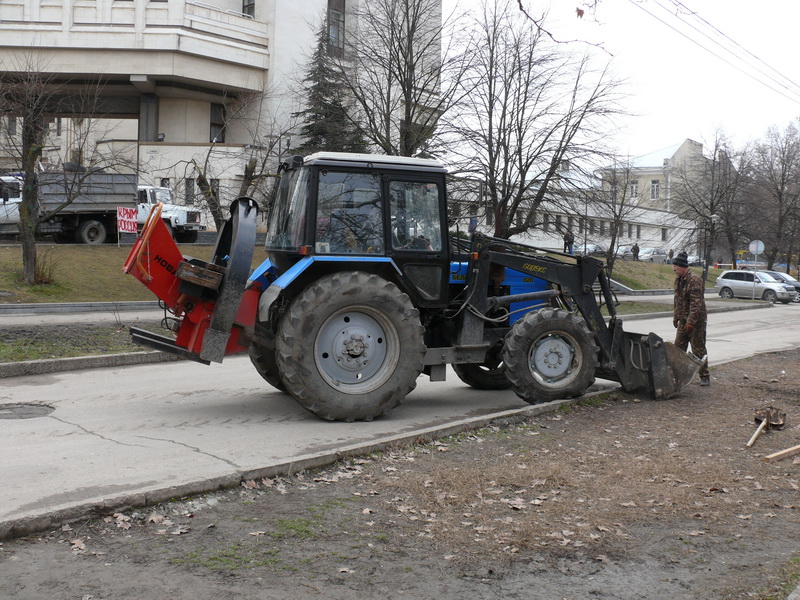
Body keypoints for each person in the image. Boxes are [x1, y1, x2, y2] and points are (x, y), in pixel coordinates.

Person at [672, 251, 710, 386]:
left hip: (696, 322)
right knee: (678, 349)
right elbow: (677, 300)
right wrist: (676, 317)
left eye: (675, 266)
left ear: (682, 266)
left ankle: (704, 376)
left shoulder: (694, 280)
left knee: (698, 349)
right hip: (683, 320)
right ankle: (677, 376)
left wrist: (691, 322)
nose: (673, 269)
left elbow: (696, 303)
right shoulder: (678, 280)